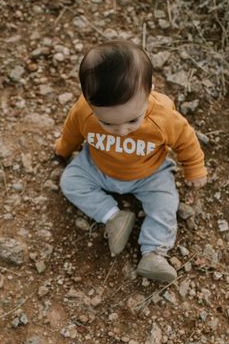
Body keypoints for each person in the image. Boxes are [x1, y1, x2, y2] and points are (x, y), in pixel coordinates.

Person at [55, 40, 207, 282]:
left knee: (165, 203)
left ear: (150, 92)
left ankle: (154, 253)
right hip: (97, 166)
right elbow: (72, 130)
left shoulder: (164, 116)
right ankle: (113, 217)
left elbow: (186, 141)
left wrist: (195, 168)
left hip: (149, 173)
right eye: (108, 123)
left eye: (132, 121)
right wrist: (63, 149)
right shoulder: (84, 111)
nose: (122, 131)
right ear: (88, 100)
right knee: (70, 181)